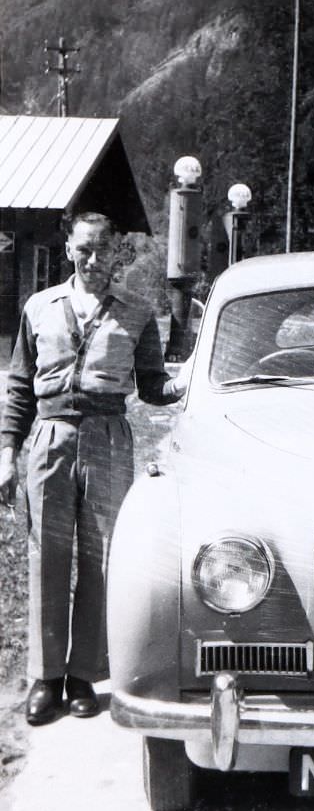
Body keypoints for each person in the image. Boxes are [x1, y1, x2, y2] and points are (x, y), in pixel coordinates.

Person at [0, 212, 190, 726]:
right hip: (50, 440)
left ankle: (84, 675)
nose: (92, 259)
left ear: (117, 256)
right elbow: (19, 386)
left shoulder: (136, 312)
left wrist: (187, 378)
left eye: (103, 250)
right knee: (48, 556)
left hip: (108, 441)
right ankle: (45, 678)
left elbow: (152, 385)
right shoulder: (39, 307)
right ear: (68, 250)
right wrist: (6, 455)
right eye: (83, 248)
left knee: (102, 556)